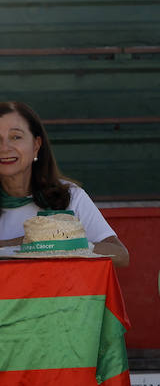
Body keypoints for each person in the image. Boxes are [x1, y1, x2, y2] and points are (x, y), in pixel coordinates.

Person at [0, 101, 129, 267]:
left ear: (36, 145)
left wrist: (63, 244)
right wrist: (29, 243)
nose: (4, 148)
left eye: (15, 137)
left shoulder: (69, 196)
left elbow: (120, 255)